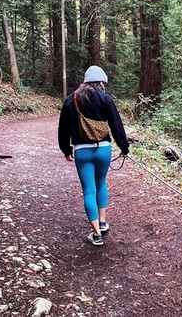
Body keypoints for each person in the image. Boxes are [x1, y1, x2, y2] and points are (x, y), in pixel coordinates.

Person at [58, 66, 129, 246]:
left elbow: (63, 129)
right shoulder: (105, 99)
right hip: (103, 149)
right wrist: (124, 147)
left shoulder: (70, 100)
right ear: (99, 83)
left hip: (82, 151)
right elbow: (116, 125)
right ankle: (103, 222)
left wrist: (66, 149)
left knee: (89, 190)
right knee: (101, 183)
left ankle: (96, 234)